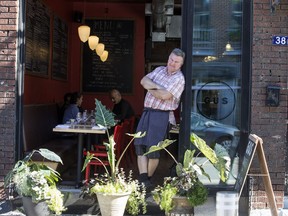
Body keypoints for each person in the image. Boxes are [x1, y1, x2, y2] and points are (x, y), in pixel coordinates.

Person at [134, 48, 185, 187]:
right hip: (147, 112)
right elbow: (143, 81)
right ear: (168, 58)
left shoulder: (179, 79)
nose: (172, 63)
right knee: (140, 147)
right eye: (171, 60)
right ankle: (144, 181)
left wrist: (151, 88)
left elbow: (165, 96)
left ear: (181, 64)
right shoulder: (159, 70)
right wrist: (158, 87)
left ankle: (146, 180)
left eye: (177, 62)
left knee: (153, 150)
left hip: (161, 116)